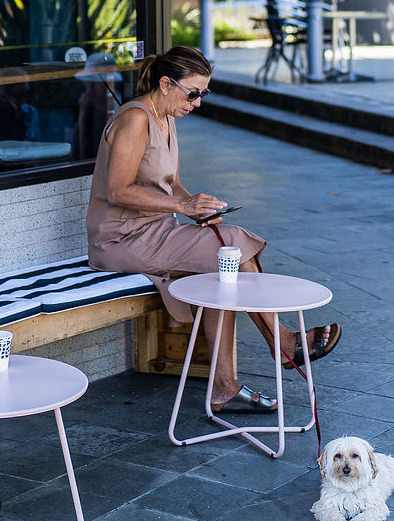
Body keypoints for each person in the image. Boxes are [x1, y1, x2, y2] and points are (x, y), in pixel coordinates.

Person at [88, 46, 342, 415]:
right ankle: (282, 341)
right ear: (165, 84)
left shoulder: (165, 116)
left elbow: (171, 184)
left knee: (222, 271)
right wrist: (184, 208)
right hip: (120, 239)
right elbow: (118, 191)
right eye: (192, 93)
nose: (197, 103)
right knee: (233, 245)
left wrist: (198, 209)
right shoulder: (135, 119)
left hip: (155, 231)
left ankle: (224, 385)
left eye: (203, 94)